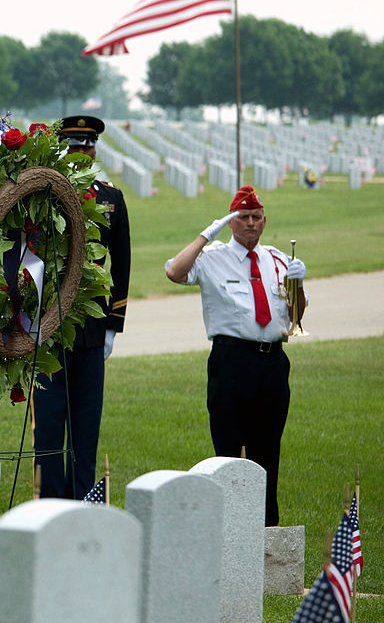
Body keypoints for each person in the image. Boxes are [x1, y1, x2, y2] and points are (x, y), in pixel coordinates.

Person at [165, 185, 306, 526]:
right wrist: (205, 234)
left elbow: (296, 317)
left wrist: (298, 285)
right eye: (243, 217)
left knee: (268, 455)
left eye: (257, 217)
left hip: (272, 363)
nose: (251, 224)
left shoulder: (276, 259)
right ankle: (230, 531)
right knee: (228, 453)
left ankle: (266, 533)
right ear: (231, 222)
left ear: (265, 220)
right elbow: (174, 271)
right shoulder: (212, 258)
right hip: (231, 362)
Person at [33, 115, 131, 499]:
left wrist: (113, 324)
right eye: (73, 147)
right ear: (63, 149)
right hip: (48, 328)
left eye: (87, 147)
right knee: (50, 427)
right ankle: (50, 503)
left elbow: (121, 263)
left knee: (86, 427)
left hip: (91, 330)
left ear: (95, 150)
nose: (81, 153)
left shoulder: (111, 198)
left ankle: (82, 504)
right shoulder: (41, 195)